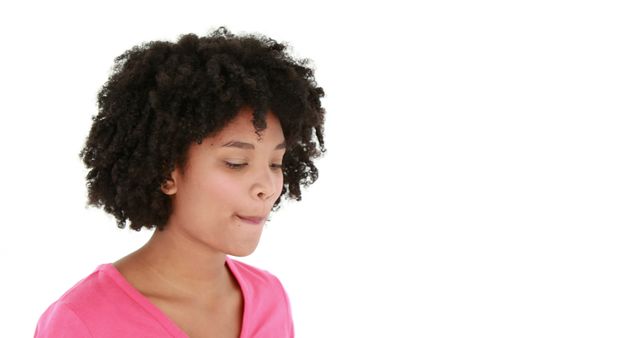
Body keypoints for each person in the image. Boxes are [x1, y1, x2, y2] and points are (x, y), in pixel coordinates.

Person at [34, 26, 326, 338]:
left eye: (275, 163)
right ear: (166, 171)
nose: (267, 186)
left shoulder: (271, 299)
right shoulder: (85, 321)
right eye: (236, 163)